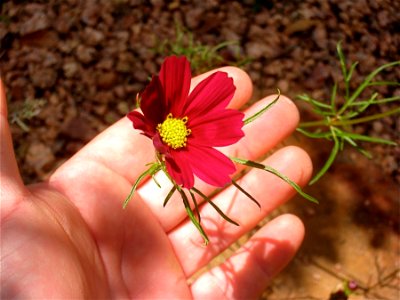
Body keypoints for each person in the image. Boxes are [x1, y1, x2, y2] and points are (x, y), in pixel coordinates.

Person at [0, 67, 312, 299]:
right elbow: (149, 116)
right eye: (169, 128)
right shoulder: (159, 125)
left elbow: (223, 136)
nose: (175, 130)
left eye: (177, 128)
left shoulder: (182, 138)